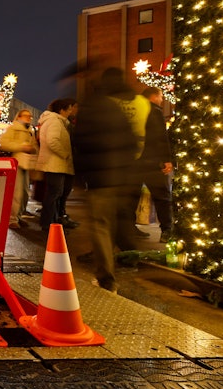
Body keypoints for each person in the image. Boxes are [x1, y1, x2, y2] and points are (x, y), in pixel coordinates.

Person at [73, 68, 141, 293]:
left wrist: (81, 175)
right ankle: (130, 259)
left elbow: (82, 143)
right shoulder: (120, 108)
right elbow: (132, 141)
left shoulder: (91, 108)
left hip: (100, 177)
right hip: (122, 176)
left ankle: (107, 278)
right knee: (117, 221)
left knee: (101, 225)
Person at [35, 98, 77, 233]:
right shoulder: (55, 122)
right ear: (62, 110)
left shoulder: (57, 121)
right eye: (69, 108)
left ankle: (52, 223)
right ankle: (48, 224)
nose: (71, 111)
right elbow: (52, 141)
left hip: (55, 164)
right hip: (54, 164)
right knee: (54, 194)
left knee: (55, 194)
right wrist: (66, 154)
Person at [139, 87, 175, 243]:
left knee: (131, 197)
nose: (161, 99)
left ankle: (128, 229)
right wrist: (167, 159)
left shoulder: (134, 111)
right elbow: (161, 137)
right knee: (162, 196)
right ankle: (166, 230)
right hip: (153, 161)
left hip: (134, 161)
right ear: (153, 97)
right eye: (160, 96)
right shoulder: (155, 111)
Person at [0, 109, 39, 228]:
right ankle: (12, 219)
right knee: (17, 192)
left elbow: (34, 147)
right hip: (16, 162)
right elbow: (4, 143)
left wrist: (32, 149)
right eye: (26, 116)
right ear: (19, 116)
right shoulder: (13, 128)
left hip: (26, 163)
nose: (28, 118)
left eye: (30, 116)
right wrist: (21, 147)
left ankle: (18, 216)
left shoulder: (30, 130)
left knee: (25, 192)